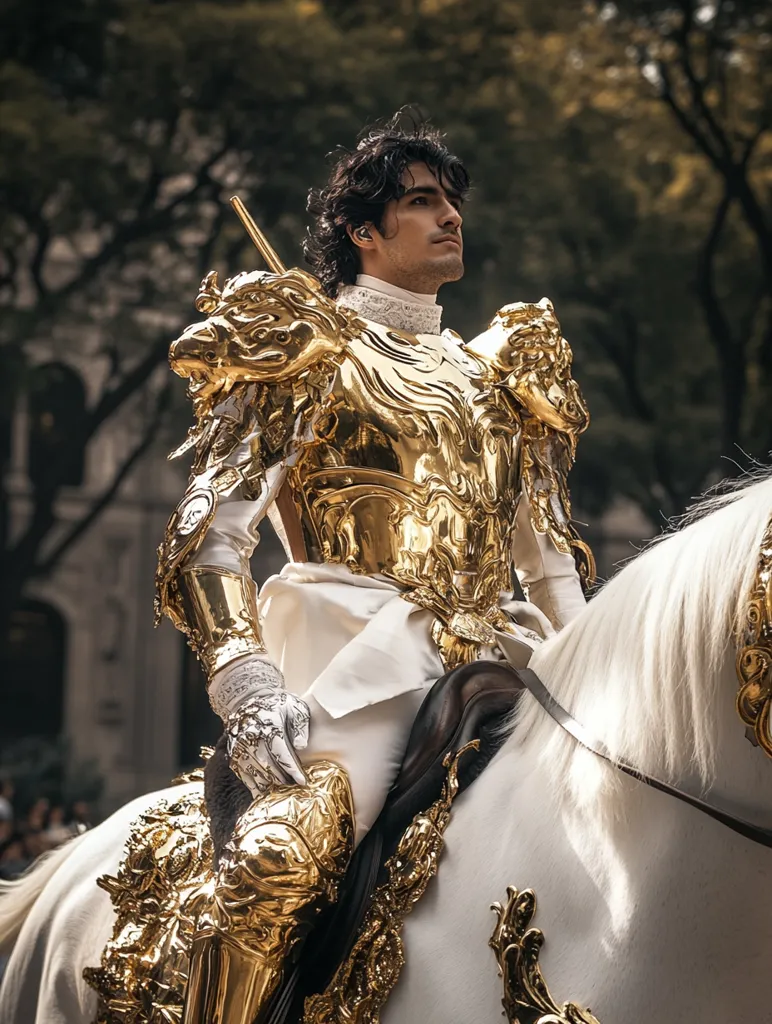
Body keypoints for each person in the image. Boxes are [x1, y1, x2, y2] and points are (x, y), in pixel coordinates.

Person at [156, 114, 593, 1024]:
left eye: (452, 203)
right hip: (362, 672)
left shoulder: (499, 382)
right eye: (421, 202)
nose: (450, 219)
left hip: (504, 670)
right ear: (363, 231)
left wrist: (601, 675)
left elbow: (551, 575)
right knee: (279, 863)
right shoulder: (309, 352)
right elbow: (209, 538)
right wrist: (244, 678)